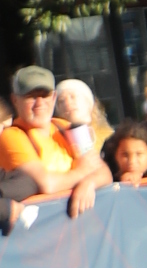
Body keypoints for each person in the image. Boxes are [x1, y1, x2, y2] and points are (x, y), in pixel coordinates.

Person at [0, 67, 103, 218]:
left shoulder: (65, 126)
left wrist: (89, 183)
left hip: (83, 223)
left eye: (45, 95)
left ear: (54, 97)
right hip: (42, 227)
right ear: (15, 100)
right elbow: (47, 185)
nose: (39, 103)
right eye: (31, 96)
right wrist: (82, 172)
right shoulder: (12, 135)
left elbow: (103, 172)